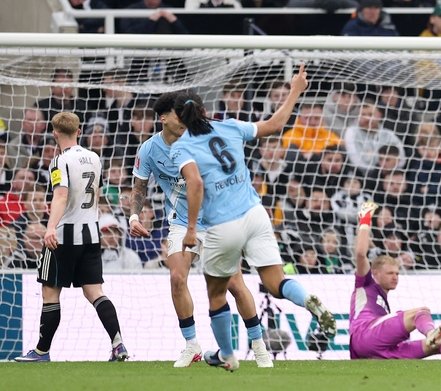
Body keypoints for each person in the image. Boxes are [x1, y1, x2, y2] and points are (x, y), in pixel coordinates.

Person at [169, 63, 336, 371]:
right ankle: (307, 299)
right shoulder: (230, 126)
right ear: (205, 110)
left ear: (179, 118)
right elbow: (275, 125)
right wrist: (295, 91)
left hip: (223, 226)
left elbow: (195, 183)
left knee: (216, 293)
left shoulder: (181, 148)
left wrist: (191, 229)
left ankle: (227, 356)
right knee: (275, 282)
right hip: (256, 214)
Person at [130, 92, 273, 368]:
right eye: (176, 114)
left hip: (217, 220)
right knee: (176, 278)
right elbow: (139, 186)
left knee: (234, 284)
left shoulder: (200, 140)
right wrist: (134, 216)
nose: (182, 118)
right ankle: (192, 345)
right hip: (181, 221)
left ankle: (258, 345)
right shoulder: (149, 149)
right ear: (164, 118)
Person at [14, 112, 128, 362]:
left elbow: (61, 195)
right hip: (90, 235)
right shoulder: (95, 158)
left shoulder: (59, 161)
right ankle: (118, 343)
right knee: (94, 292)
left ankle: (42, 352)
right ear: (79, 131)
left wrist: (50, 227)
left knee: (50, 292)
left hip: (64, 236)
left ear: (54, 133)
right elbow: (95, 194)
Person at [349, 201, 441, 359]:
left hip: (379, 352)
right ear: (375, 274)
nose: (395, 277)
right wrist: (365, 219)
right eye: (390, 273)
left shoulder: (382, 302)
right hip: (364, 337)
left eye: (397, 273)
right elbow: (360, 254)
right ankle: (432, 333)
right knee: (421, 312)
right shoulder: (365, 283)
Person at [342, 100, 406, 172]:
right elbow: (357, 162)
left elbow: (401, 160)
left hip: (390, 176)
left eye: (370, 115)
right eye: (363, 115)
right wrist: (384, 162)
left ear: (379, 115)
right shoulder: (351, 133)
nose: (367, 119)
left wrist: (372, 156)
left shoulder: (389, 135)